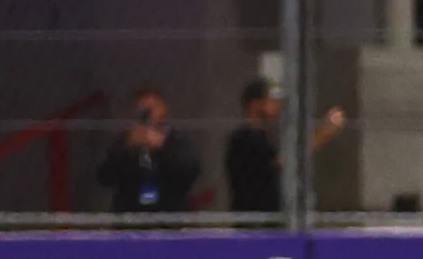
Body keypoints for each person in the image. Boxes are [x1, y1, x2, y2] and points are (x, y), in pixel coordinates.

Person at [221, 78, 347, 219]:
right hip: (254, 222)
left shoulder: (265, 136)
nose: (278, 106)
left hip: (271, 220)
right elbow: (282, 161)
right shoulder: (244, 138)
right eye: (272, 101)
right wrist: (322, 134)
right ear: (255, 104)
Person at [96, 87, 202, 218]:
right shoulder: (125, 141)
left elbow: (190, 171)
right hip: (131, 217)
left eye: (153, 107)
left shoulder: (177, 140)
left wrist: (163, 148)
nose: (148, 113)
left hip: (170, 216)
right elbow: (104, 177)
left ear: (164, 109)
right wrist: (127, 147)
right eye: (143, 108)